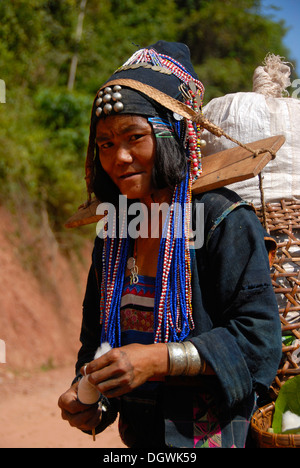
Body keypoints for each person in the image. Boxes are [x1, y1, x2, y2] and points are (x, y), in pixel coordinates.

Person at [58, 41, 282, 448]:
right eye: (105, 143)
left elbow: (259, 340)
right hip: (139, 437)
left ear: (174, 135)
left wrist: (157, 359)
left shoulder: (221, 220)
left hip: (212, 437)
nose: (119, 157)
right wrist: (91, 395)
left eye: (133, 137)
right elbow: (97, 339)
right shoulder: (115, 233)